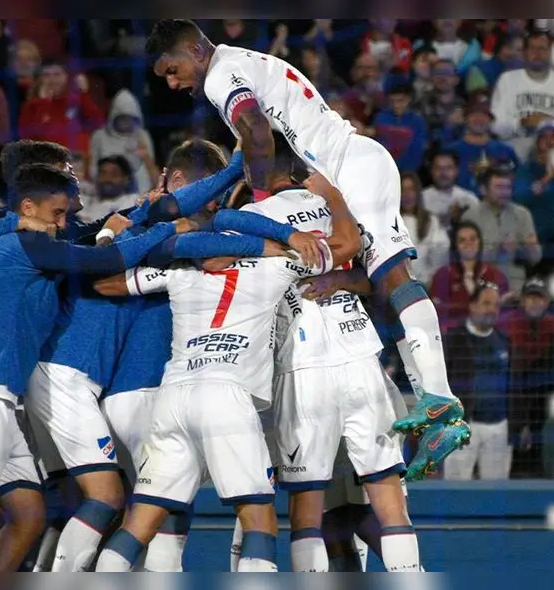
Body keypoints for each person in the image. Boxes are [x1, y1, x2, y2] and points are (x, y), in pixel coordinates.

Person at [146, 19, 470, 478]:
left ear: (196, 51)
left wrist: (260, 203)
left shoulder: (221, 75)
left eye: (172, 69)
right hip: (350, 165)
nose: (173, 82)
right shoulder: (240, 63)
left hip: (353, 166)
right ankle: (435, 400)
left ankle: (441, 403)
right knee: (384, 280)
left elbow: (257, 134)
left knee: (396, 277)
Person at [90, 171, 361, 572]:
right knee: (259, 520)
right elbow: (348, 245)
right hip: (227, 396)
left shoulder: (183, 266)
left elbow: (106, 284)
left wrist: (110, 237)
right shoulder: (279, 262)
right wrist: (334, 198)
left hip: (175, 396)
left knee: (141, 520)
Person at [0, 164, 181, 571]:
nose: (64, 222)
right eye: (58, 212)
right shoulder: (20, 241)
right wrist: (168, 228)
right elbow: (105, 260)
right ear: (28, 205)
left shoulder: (45, 247)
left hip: (6, 400)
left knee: (28, 516)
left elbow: (86, 236)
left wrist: (139, 213)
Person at [236, 144, 419, 572]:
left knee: (307, 508)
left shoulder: (250, 219)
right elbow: (380, 277)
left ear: (250, 172)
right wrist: (344, 276)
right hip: (360, 357)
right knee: (387, 496)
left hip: (302, 366)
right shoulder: (337, 206)